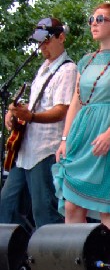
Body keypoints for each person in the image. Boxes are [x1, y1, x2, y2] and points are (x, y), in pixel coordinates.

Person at [53, 3, 110, 240]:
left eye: (100, 19)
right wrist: (65, 138)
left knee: (108, 210)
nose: (93, 22)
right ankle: (75, 268)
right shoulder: (85, 61)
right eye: (92, 18)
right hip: (81, 134)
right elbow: (76, 102)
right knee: (72, 206)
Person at [0, 17, 77, 230]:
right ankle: (19, 256)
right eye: (39, 42)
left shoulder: (67, 70)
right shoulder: (43, 68)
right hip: (25, 150)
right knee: (6, 206)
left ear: (61, 37)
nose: (41, 46)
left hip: (46, 151)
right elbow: (36, 105)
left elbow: (62, 111)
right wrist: (13, 112)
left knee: (44, 212)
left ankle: (50, 259)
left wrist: (30, 117)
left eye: (46, 41)